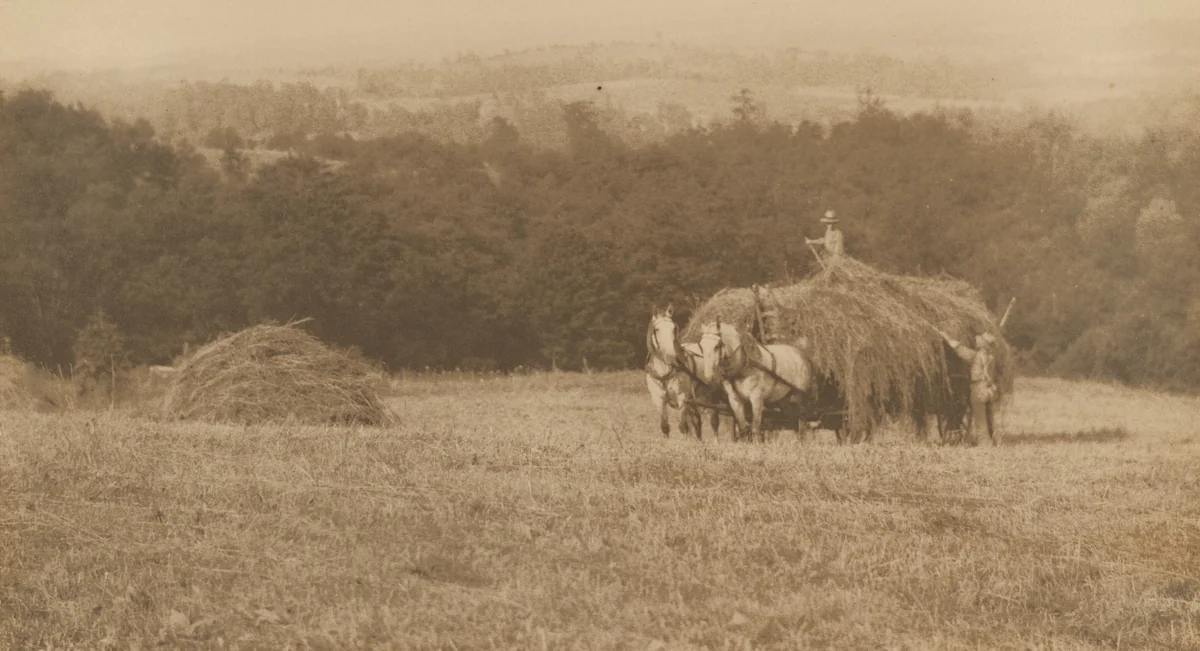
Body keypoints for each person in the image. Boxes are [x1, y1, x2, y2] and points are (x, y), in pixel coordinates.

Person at [937, 329, 1000, 446]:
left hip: (978, 388)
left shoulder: (976, 356)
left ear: (982, 345)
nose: (977, 342)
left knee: (980, 418)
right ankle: (995, 441)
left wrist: (946, 336)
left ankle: (984, 444)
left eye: (980, 341)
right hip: (989, 389)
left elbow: (959, 349)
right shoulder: (991, 358)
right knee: (989, 417)